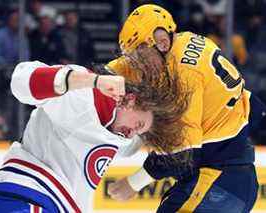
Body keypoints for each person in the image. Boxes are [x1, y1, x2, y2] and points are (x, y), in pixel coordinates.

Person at [106, 4, 266, 213]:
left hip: (220, 181)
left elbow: (183, 155)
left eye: (140, 58)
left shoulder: (185, 75)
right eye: (132, 58)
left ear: (162, 42)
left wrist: (133, 183)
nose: (137, 67)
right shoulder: (175, 44)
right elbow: (254, 107)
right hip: (226, 179)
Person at [0, 59, 180, 212]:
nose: (132, 133)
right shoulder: (85, 94)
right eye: (138, 124)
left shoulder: (117, 136)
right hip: (26, 198)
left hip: (45, 203)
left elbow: (141, 149)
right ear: (130, 100)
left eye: (139, 131)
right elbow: (21, 80)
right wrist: (91, 81)